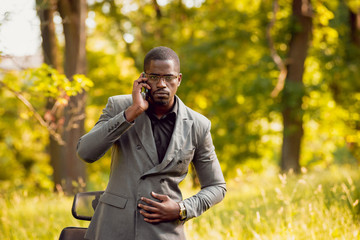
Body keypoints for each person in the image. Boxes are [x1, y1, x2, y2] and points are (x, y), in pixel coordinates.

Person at [76, 46, 226, 240]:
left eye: (169, 77)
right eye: (154, 77)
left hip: (164, 232)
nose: (162, 84)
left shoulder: (198, 125)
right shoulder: (120, 107)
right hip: (114, 229)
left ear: (178, 79)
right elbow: (86, 152)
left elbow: (216, 186)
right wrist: (132, 112)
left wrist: (182, 209)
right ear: (143, 78)